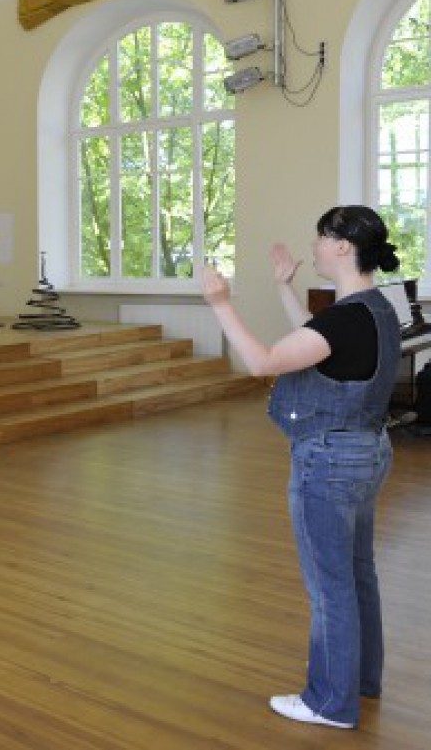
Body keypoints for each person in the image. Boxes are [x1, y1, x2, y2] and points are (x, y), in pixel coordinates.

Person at [202, 205, 400, 730]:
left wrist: (220, 303)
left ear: (342, 246)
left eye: (320, 237)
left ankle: (330, 702)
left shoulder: (345, 317)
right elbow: (320, 343)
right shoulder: (377, 308)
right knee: (357, 574)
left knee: (330, 587)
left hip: (330, 461)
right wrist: (284, 287)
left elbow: (263, 362)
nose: (314, 246)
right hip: (368, 452)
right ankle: (361, 679)